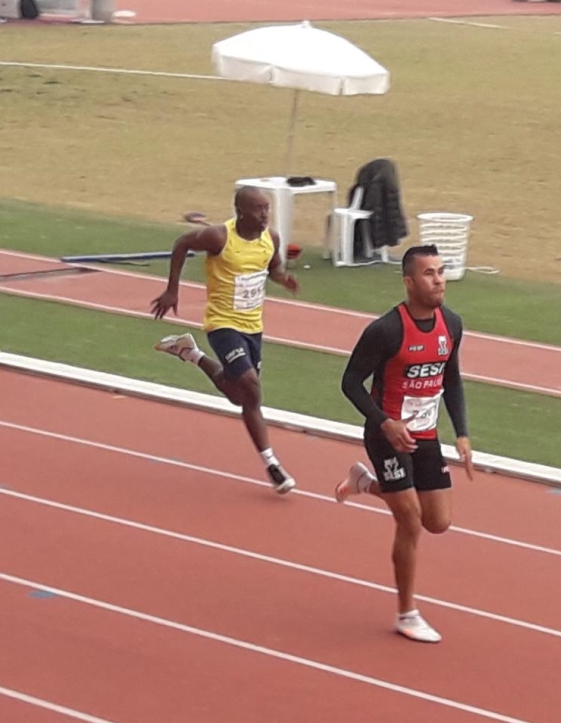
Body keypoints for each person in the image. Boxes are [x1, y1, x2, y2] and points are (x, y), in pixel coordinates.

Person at [335, 244, 473, 643]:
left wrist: (461, 433)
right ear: (410, 282)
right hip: (386, 437)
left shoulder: (453, 324)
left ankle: (365, 485)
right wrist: (384, 422)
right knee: (409, 520)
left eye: (441, 271)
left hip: (427, 437)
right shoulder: (386, 330)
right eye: (429, 273)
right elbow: (349, 383)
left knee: (438, 522)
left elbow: (452, 380)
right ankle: (406, 612)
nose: (439, 280)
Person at [150, 186, 299, 493]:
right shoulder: (219, 237)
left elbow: (274, 267)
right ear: (240, 211)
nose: (264, 215)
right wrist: (172, 289)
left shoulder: (271, 238)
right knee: (251, 386)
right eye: (258, 209)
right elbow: (180, 244)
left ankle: (189, 353)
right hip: (222, 324)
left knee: (239, 396)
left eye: (267, 208)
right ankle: (273, 465)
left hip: (253, 327)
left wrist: (282, 277)